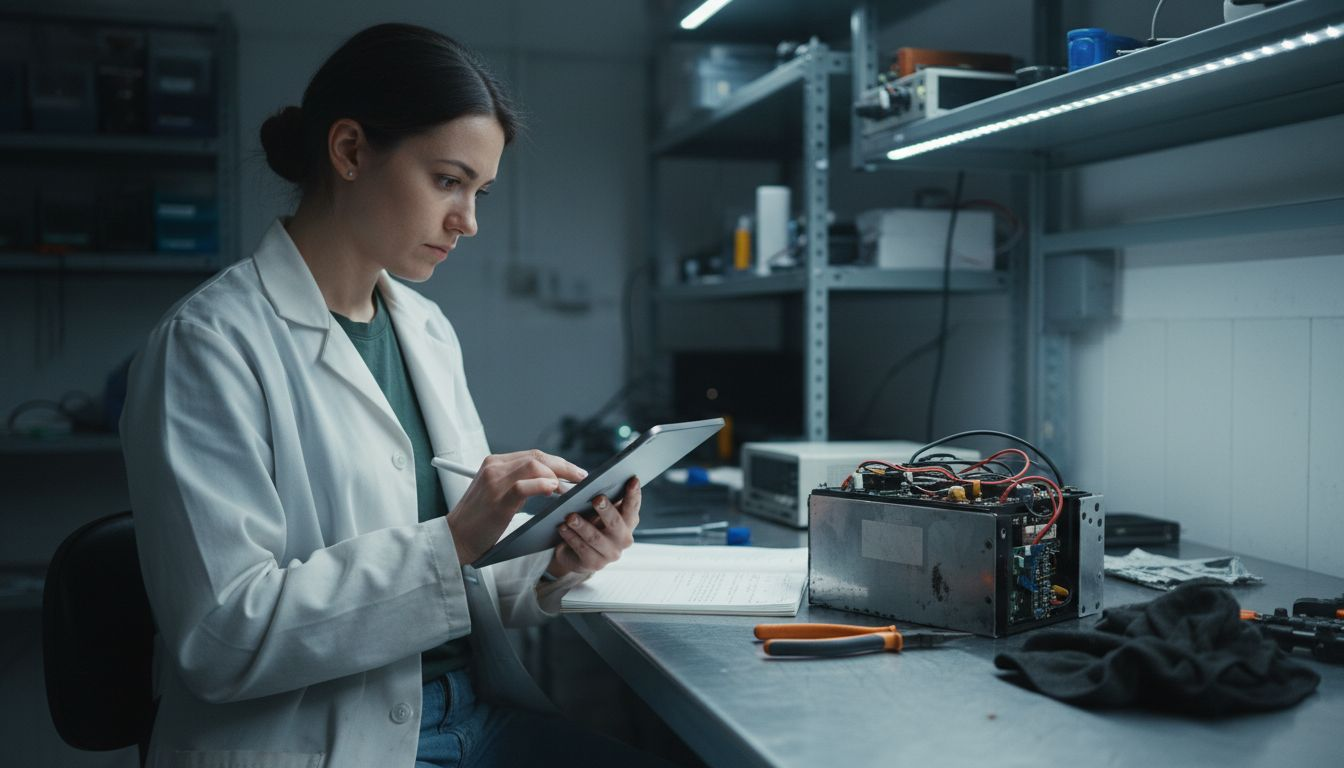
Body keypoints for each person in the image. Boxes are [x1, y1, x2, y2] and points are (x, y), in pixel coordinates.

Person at [121, 23, 661, 768]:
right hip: (320, 743)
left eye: (480, 191)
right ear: (348, 151)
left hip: (473, 714)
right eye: (447, 180)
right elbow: (221, 639)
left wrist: (556, 562)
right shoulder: (211, 345)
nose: (468, 222)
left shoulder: (426, 329)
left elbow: (463, 584)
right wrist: (455, 540)